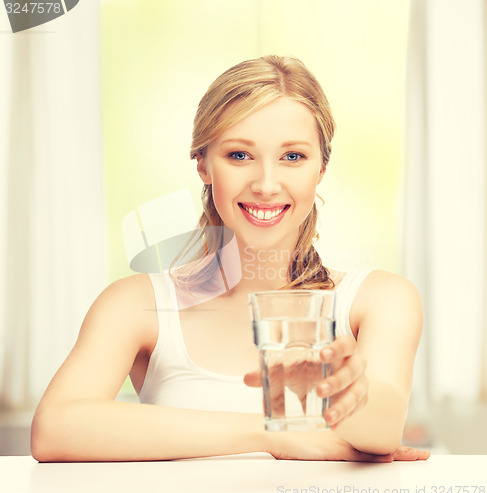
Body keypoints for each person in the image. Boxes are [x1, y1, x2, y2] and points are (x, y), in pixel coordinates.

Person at [31, 55, 429, 462]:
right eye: (239, 155)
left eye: (293, 157)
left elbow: (382, 432)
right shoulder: (136, 305)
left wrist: (346, 392)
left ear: (321, 168)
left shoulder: (379, 299)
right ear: (203, 164)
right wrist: (271, 433)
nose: (266, 185)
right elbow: (55, 428)